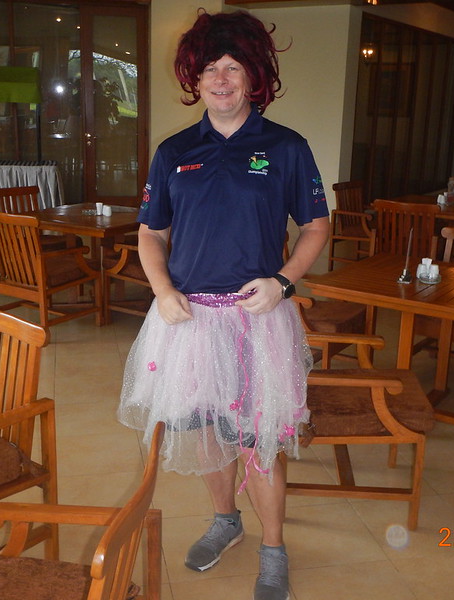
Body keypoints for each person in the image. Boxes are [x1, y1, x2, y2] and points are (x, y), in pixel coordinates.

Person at [118, 10, 329, 600]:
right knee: (208, 428)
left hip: (259, 318)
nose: (221, 79)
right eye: (211, 67)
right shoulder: (174, 151)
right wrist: (162, 290)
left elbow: (316, 226)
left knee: (260, 439)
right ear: (195, 76)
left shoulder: (286, 147)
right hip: (190, 320)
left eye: (234, 67)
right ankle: (225, 521)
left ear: (254, 76)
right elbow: (151, 233)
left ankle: (273, 548)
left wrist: (283, 282)